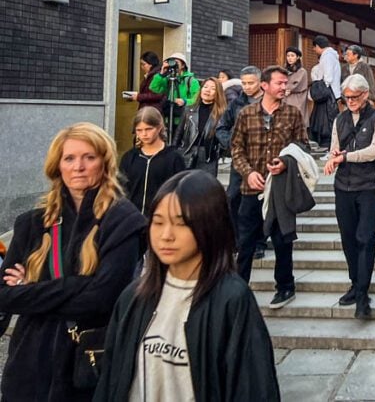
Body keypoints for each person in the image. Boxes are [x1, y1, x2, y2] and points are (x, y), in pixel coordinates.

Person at [95, 170, 280, 401]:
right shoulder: (134, 297)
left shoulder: (232, 300)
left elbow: (253, 388)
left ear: (209, 225)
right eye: (158, 222)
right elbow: (110, 382)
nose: (166, 235)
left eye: (180, 224)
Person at [0, 123, 147, 401]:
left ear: (104, 163)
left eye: (89, 157)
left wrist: (30, 289)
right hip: (30, 365)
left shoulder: (123, 221)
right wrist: (82, 284)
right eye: (69, 158)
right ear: (58, 165)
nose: (78, 166)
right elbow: (4, 295)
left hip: (88, 365)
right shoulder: (32, 223)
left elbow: (103, 299)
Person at [231, 65, 307, 308]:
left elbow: (303, 146)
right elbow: (236, 148)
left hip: (279, 188)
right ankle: (238, 289)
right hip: (251, 187)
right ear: (265, 85)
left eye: (286, 83)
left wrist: (285, 162)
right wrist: (248, 172)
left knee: (283, 240)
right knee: (245, 243)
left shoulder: (293, 114)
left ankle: (285, 286)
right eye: (280, 83)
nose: (284, 87)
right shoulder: (246, 114)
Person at [323, 74, 375, 319]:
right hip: (344, 185)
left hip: (368, 185)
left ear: (364, 95)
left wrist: (345, 157)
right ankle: (355, 282)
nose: (349, 101)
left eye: (353, 97)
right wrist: (334, 156)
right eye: (346, 97)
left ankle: (363, 294)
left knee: (365, 237)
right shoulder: (340, 119)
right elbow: (334, 145)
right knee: (348, 238)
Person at [216, 65, 262, 229]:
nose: (247, 87)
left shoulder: (269, 102)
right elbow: (221, 127)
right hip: (240, 158)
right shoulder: (236, 103)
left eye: (251, 83)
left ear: (261, 82)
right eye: (244, 83)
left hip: (263, 157)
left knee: (259, 198)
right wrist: (231, 143)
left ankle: (259, 241)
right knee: (234, 196)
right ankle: (237, 237)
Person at [120, 106, 187, 215]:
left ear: (159, 127)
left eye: (149, 129)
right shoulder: (129, 158)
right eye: (139, 130)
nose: (144, 134)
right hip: (132, 219)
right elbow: (121, 190)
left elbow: (180, 192)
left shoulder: (174, 158)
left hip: (161, 218)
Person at [174, 77, 227, 177]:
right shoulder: (189, 110)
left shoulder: (222, 113)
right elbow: (178, 133)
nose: (208, 90)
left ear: (218, 93)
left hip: (208, 157)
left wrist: (218, 152)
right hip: (187, 152)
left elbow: (225, 137)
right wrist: (175, 151)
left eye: (213, 88)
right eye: (205, 87)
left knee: (206, 189)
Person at [149, 52, 201, 129]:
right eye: (171, 62)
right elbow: (154, 88)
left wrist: (185, 101)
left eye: (176, 62)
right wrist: (161, 73)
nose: (173, 65)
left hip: (184, 120)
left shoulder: (191, 81)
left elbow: (198, 99)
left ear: (183, 65)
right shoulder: (168, 79)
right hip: (168, 119)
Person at [283, 46, 311, 128]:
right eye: (288, 56)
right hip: (285, 97)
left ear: (297, 57)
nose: (290, 58)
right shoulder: (283, 69)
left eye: (292, 56)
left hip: (297, 98)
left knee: (296, 121)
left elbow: (296, 84)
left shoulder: (302, 71)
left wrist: (287, 88)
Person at [314, 35, 343, 112]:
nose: (314, 50)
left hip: (329, 94)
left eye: (314, 47)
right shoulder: (331, 55)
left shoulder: (328, 56)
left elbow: (328, 77)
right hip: (332, 92)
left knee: (327, 120)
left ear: (317, 46)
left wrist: (321, 92)